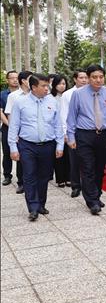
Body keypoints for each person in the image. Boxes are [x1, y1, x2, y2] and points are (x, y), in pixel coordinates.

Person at [8, 74, 64, 221]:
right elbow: (14, 126)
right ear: (33, 87)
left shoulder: (52, 101)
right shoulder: (21, 102)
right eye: (44, 86)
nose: (47, 89)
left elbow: (57, 124)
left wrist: (60, 145)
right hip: (27, 145)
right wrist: (13, 148)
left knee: (44, 176)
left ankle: (40, 204)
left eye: (48, 86)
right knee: (29, 176)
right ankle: (33, 207)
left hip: (48, 145)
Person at [66, 64, 106, 215]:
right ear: (88, 78)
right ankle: (92, 201)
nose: (98, 80)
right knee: (88, 168)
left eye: (101, 77)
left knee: (99, 168)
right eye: (94, 77)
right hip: (84, 135)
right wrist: (71, 137)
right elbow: (71, 117)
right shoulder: (78, 94)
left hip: (103, 135)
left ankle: (96, 194)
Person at [4, 70, 33, 194]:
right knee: (21, 159)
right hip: (19, 132)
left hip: (32, 131)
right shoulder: (13, 96)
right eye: (31, 79)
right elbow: (10, 115)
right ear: (24, 81)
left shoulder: (35, 94)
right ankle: (21, 183)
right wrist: (14, 134)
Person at [61, 70, 88, 197]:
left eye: (85, 77)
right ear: (75, 79)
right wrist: (66, 133)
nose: (84, 80)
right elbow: (64, 114)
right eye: (81, 78)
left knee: (89, 161)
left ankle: (89, 186)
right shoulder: (67, 94)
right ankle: (76, 186)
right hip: (74, 131)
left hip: (88, 131)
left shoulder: (92, 92)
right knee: (74, 160)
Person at [50, 75, 70, 187]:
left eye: (64, 84)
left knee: (68, 154)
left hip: (67, 128)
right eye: (59, 84)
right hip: (55, 130)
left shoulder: (68, 96)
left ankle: (69, 177)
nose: (62, 86)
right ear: (54, 85)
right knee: (58, 155)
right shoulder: (50, 98)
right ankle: (60, 178)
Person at [1, 70, 20, 186]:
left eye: (16, 77)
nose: (15, 80)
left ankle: (21, 179)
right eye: (12, 78)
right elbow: (1, 112)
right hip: (7, 127)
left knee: (21, 153)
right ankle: (7, 175)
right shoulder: (2, 94)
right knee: (7, 152)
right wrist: (10, 124)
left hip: (21, 129)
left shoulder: (24, 94)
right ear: (7, 80)